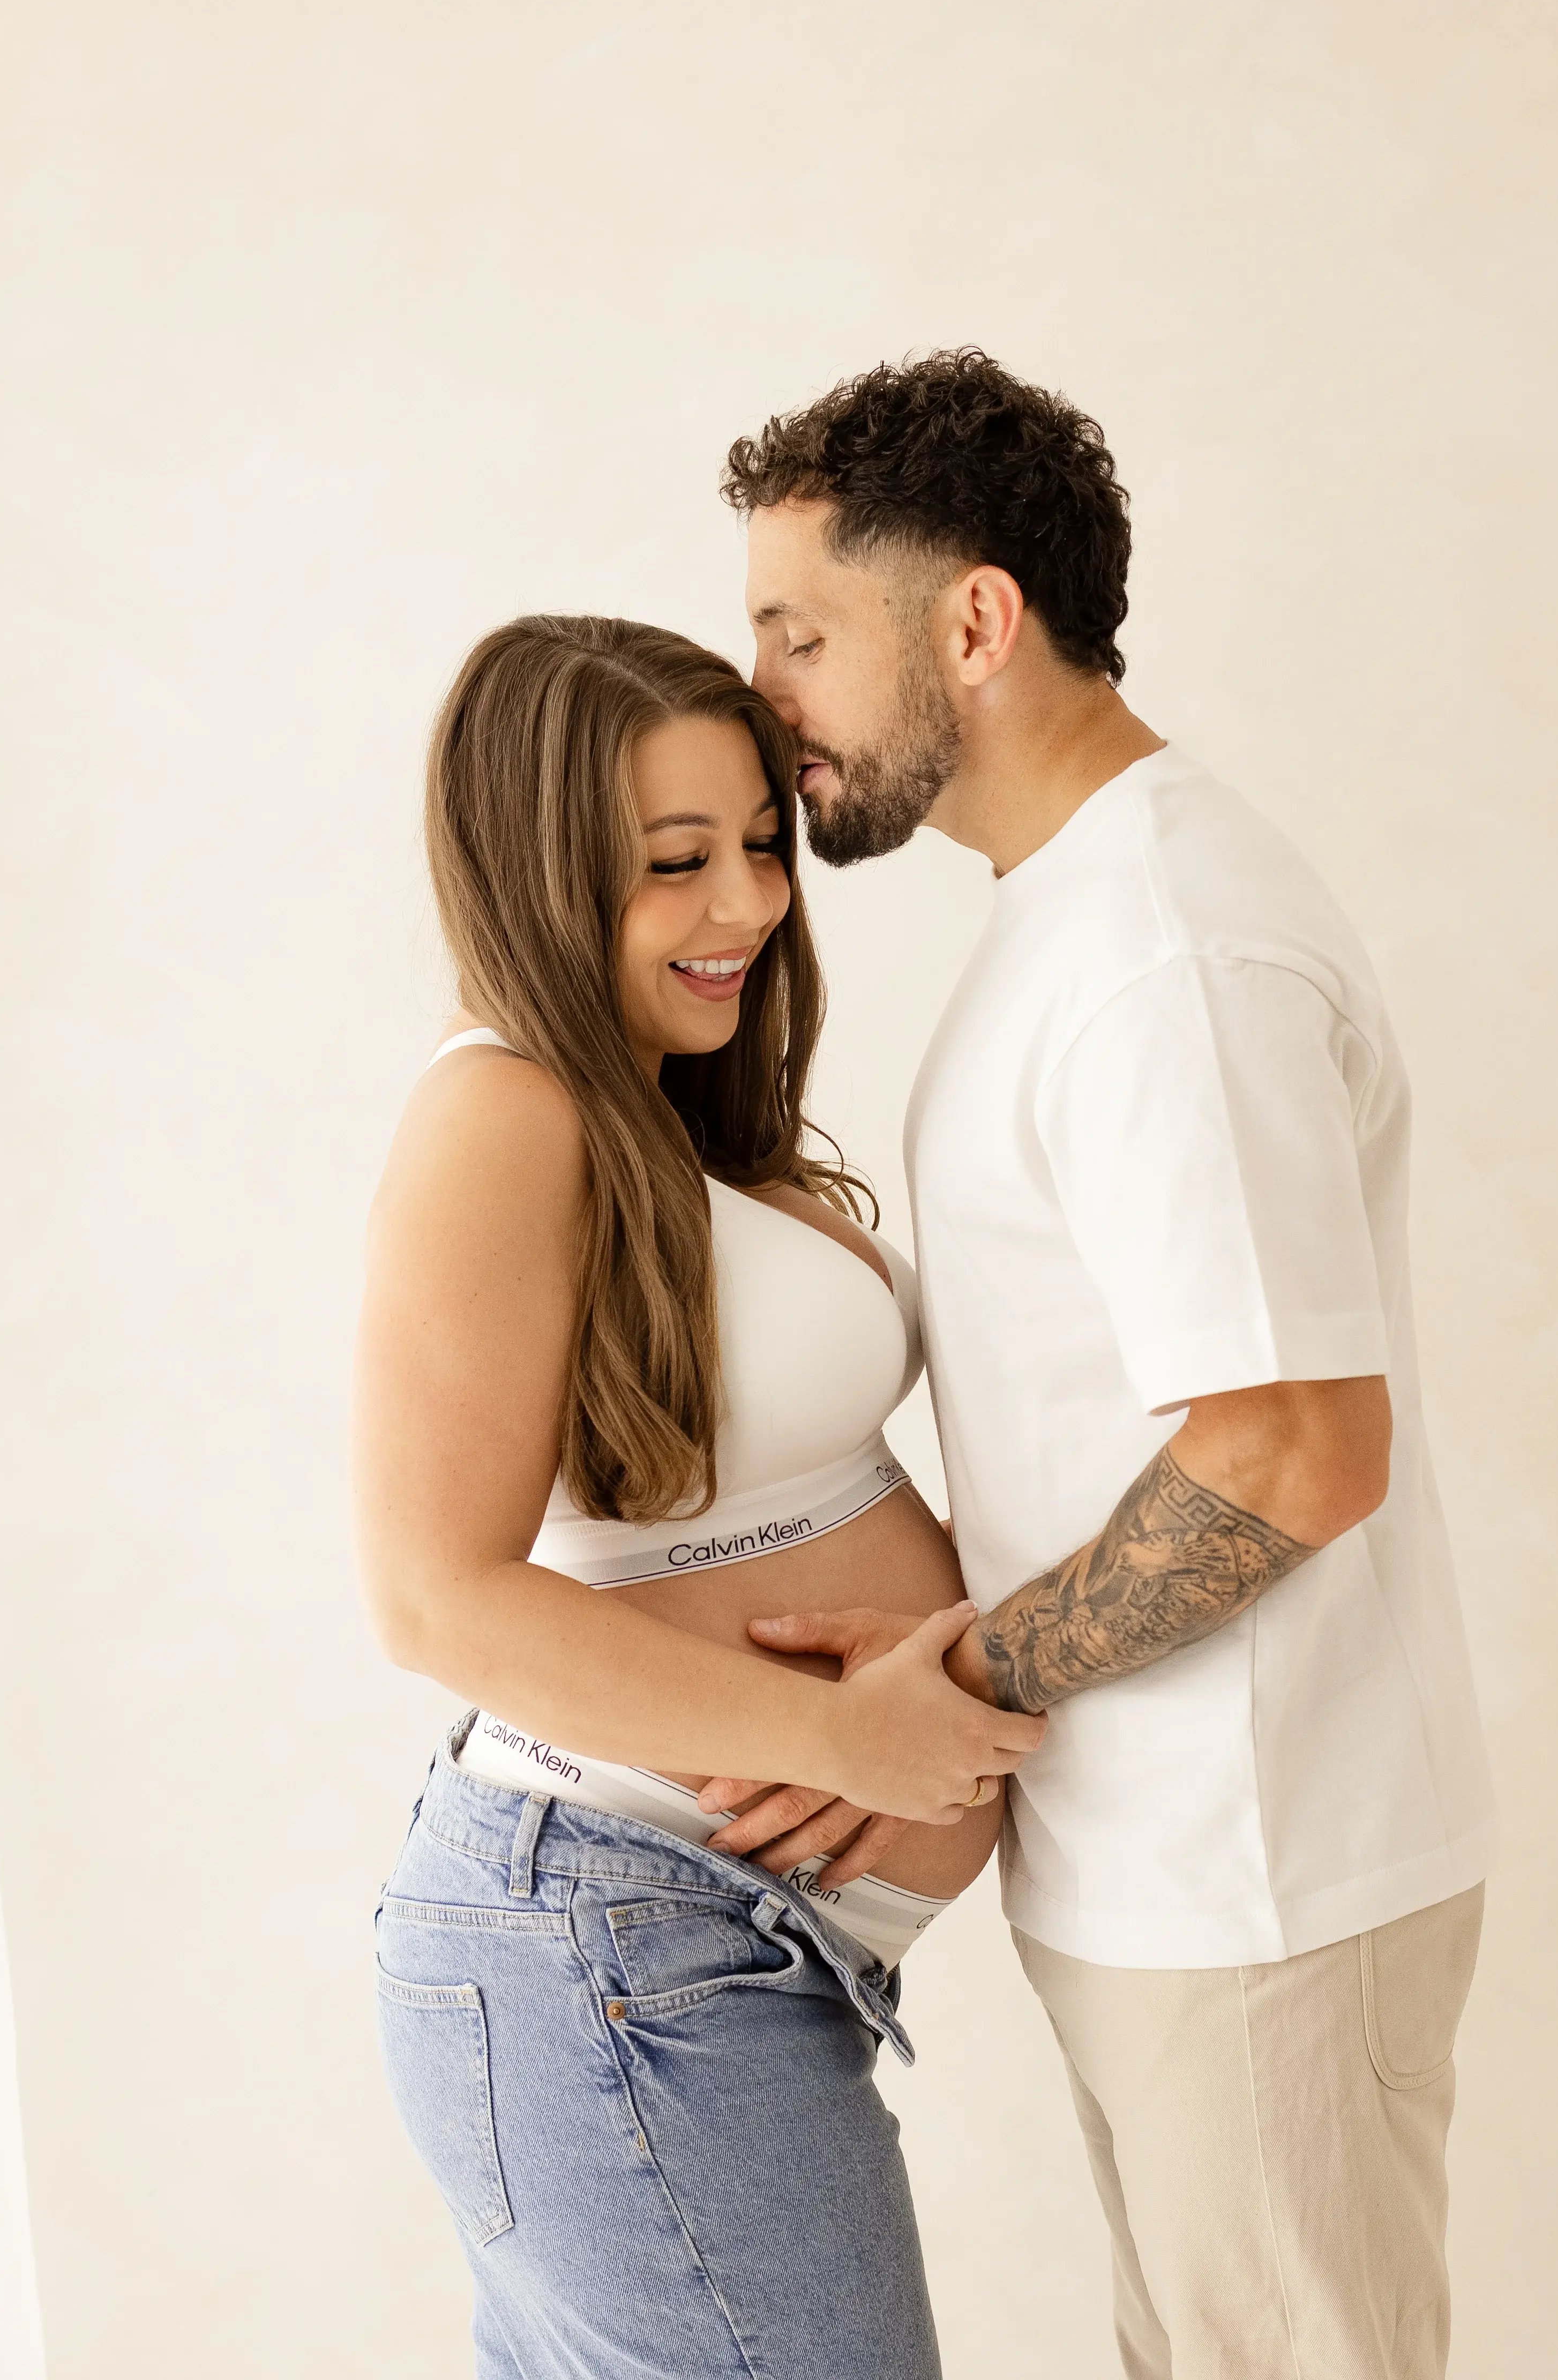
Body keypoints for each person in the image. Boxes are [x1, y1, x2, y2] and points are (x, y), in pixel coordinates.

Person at [707, 351, 1497, 2380]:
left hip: (1257, 1876)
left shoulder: (1165, 951)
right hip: (1173, 1871)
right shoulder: (1074, 919)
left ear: (972, 621)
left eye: (799, 632)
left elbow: (1293, 1455)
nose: (763, 697)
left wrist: (949, 1680)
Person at [352, 613, 1043, 2380]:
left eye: (756, 844)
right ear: (529, 870)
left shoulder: (658, 1121)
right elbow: (434, 1593)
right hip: (614, 1936)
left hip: (668, 1953)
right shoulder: (507, 1112)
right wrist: (850, 1747)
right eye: (673, 864)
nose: (744, 904)